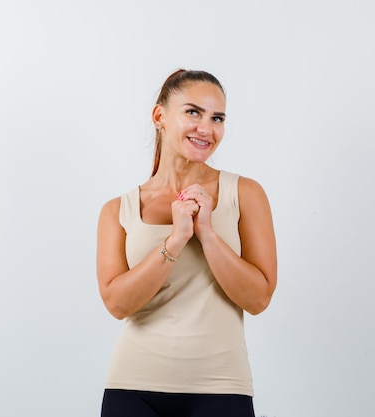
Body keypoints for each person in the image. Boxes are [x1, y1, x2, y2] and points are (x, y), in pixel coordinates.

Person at [96, 69, 277, 417]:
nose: (206, 128)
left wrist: (207, 232)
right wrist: (176, 239)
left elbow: (258, 298)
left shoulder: (246, 194)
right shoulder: (118, 210)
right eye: (193, 112)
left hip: (222, 386)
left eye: (217, 118)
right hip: (133, 386)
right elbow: (118, 304)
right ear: (159, 116)